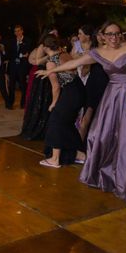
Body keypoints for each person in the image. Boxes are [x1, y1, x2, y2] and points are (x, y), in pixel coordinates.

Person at [38, 21, 126, 201]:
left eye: (117, 34)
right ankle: (104, 173)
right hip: (112, 95)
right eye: (110, 34)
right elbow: (75, 63)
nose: (114, 37)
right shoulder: (98, 53)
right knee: (97, 135)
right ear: (102, 36)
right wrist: (50, 72)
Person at [40, 35, 87, 167]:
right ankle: (80, 154)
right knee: (67, 123)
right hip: (79, 89)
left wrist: (54, 103)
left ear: (45, 47)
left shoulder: (51, 62)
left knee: (56, 121)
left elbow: (55, 86)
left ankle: (55, 159)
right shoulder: (64, 54)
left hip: (70, 91)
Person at [8, 24, 31, 109]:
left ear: (22, 31)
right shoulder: (12, 41)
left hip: (23, 66)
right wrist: (20, 55)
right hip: (13, 66)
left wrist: (21, 47)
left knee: (23, 85)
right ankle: (10, 103)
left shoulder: (27, 40)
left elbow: (27, 52)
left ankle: (23, 103)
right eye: (15, 31)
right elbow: (10, 53)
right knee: (11, 85)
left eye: (18, 30)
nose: (17, 33)